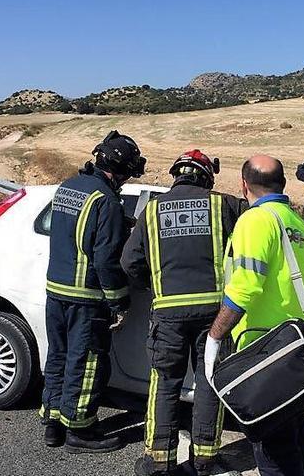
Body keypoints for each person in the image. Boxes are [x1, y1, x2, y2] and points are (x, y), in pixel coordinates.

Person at [121, 150, 244, 476]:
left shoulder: (151, 211)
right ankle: (205, 459)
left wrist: (156, 285)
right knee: (209, 382)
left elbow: (128, 262)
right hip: (213, 315)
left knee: (164, 384)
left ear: (176, 175)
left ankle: (158, 462)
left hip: (168, 316)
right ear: (206, 177)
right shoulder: (224, 205)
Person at [204, 155, 304, 476]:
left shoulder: (256, 220)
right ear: (282, 184)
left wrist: (214, 337)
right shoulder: (295, 223)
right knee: (294, 446)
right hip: (295, 348)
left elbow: (245, 288)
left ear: (243, 185)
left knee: (272, 456)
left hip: (263, 351)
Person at [40, 130, 146, 453]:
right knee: (85, 364)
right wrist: (119, 301)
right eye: (128, 173)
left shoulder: (67, 188)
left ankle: (53, 423)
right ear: (120, 168)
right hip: (85, 299)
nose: (127, 180)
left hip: (55, 293)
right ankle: (80, 430)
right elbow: (104, 258)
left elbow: (73, 235)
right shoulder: (107, 201)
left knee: (57, 356)